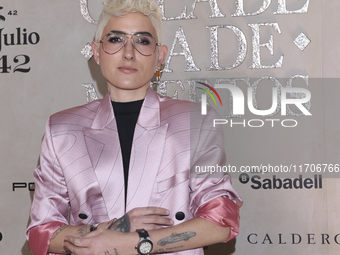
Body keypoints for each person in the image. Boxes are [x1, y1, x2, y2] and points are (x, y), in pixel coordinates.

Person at [26, 0, 242, 254]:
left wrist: (134, 241)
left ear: (160, 56)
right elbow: (42, 233)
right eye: (116, 39)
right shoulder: (62, 129)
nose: (128, 53)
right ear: (96, 51)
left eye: (142, 41)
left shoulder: (195, 120)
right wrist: (117, 226)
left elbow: (221, 221)